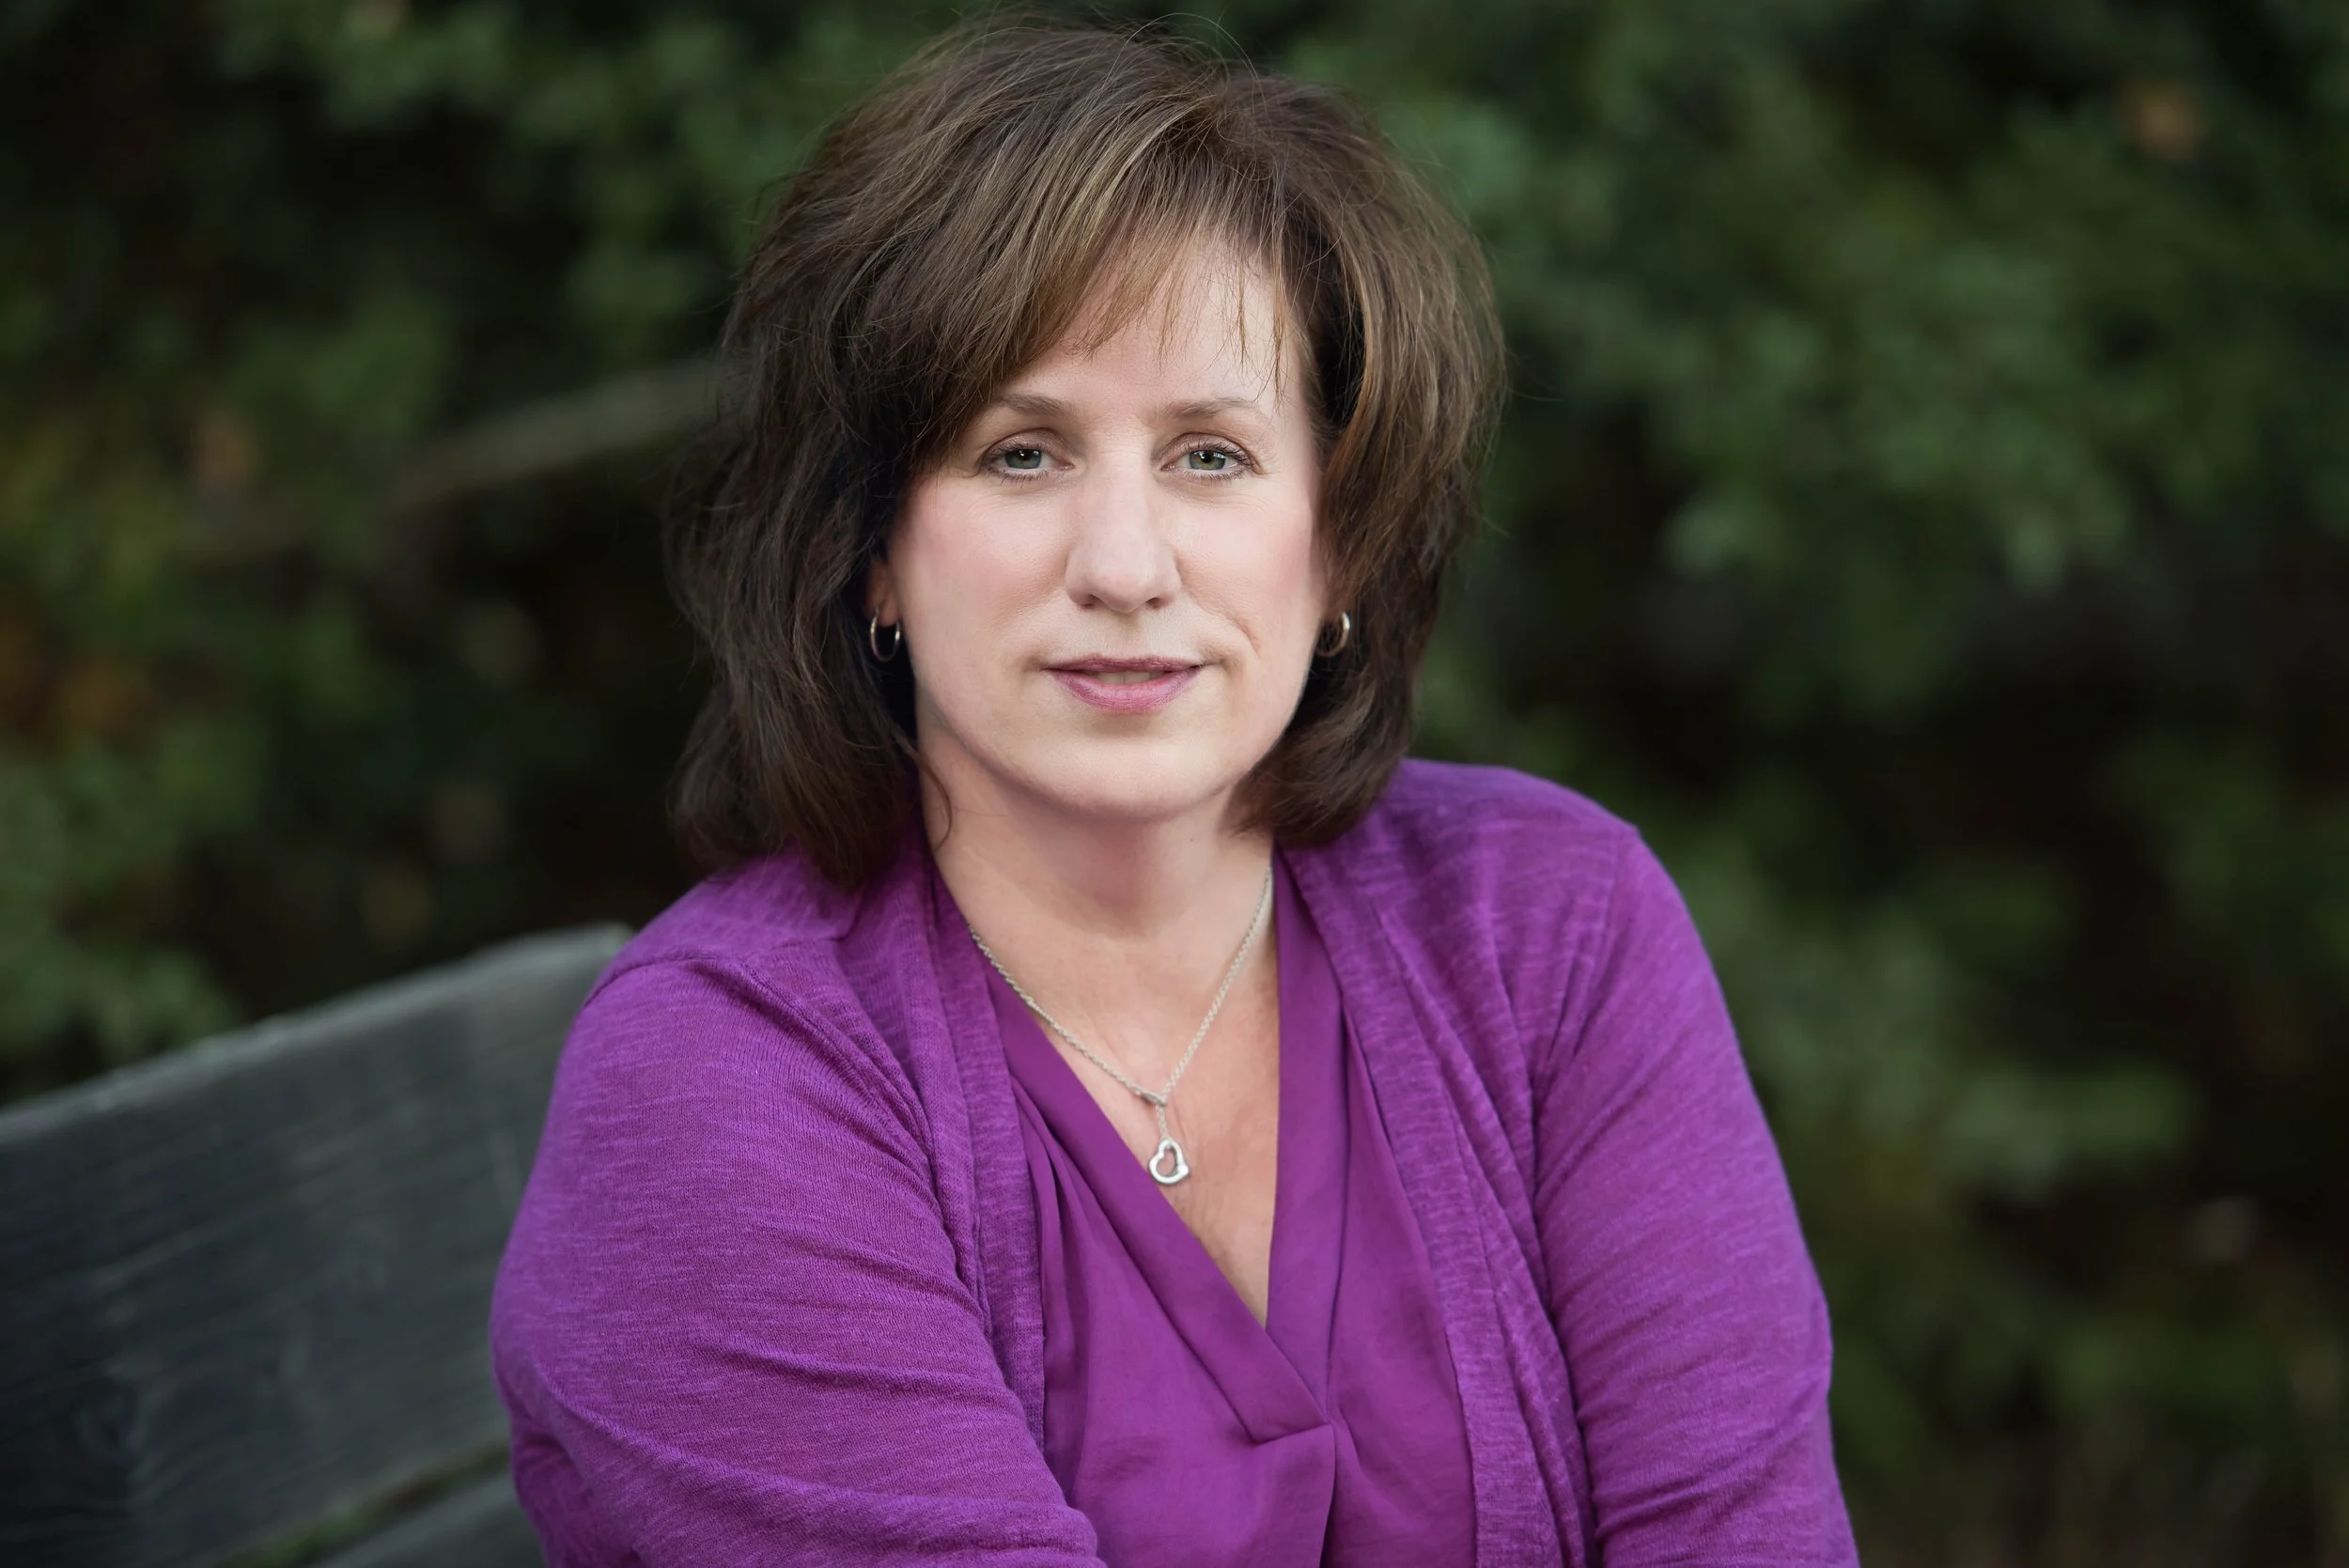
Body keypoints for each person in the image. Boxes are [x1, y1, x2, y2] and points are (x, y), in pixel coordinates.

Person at [490, 21, 1857, 1567]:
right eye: (1022, 456)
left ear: (1336, 538)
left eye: (1210, 455)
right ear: (870, 546)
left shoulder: (1550, 931)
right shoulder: (726, 1084)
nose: (1124, 569)